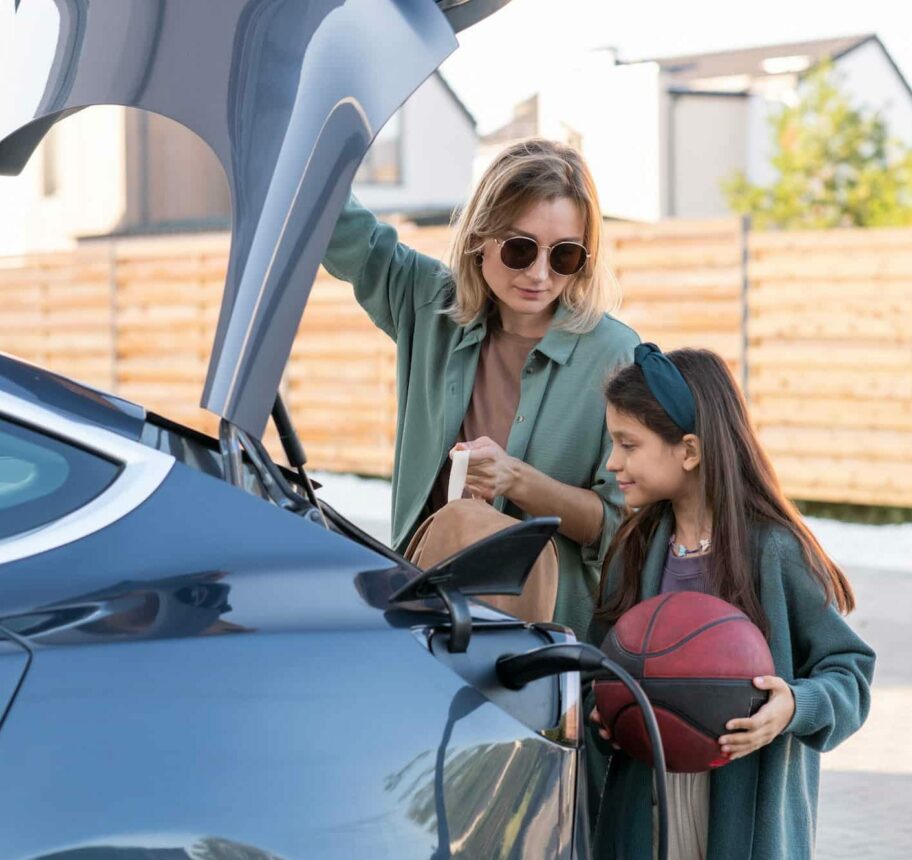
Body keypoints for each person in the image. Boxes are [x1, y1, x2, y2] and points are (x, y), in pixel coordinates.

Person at [323, 139, 639, 639]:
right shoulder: (429, 304)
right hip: (422, 610)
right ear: (480, 236)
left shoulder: (615, 356)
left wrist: (519, 481)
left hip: (541, 636)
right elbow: (334, 222)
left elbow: (622, 527)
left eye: (565, 256)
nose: (539, 274)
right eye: (519, 248)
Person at [587, 344, 875, 860]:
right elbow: (598, 668)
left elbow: (850, 671)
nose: (612, 462)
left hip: (739, 816)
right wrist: (605, 711)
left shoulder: (774, 551)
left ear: (690, 451)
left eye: (628, 444)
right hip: (646, 805)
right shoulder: (633, 549)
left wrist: (794, 705)